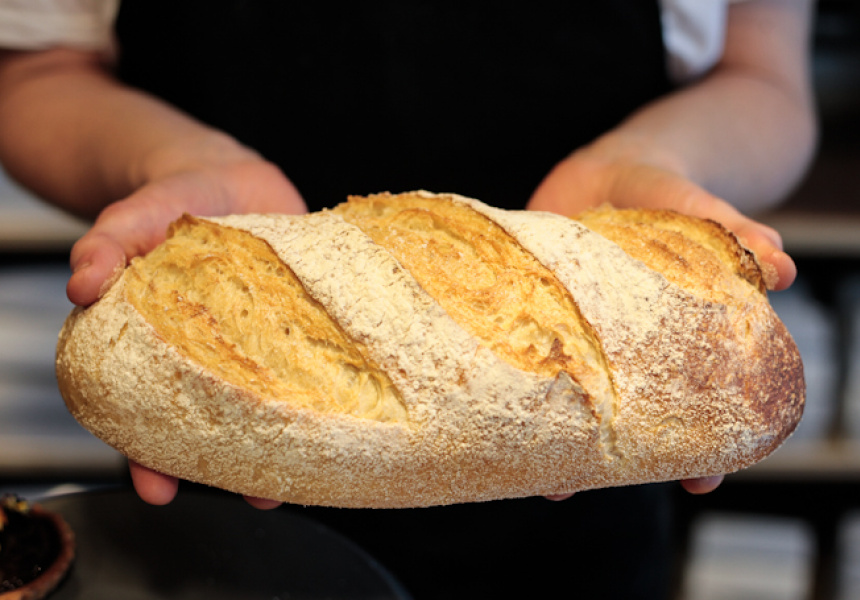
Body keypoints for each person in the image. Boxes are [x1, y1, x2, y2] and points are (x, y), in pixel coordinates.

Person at [0, 1, 816, 597]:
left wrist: (653, 157)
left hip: (582, 494)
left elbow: (763, 73)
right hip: (221, 494)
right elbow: (36, 70)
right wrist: (172, 160)